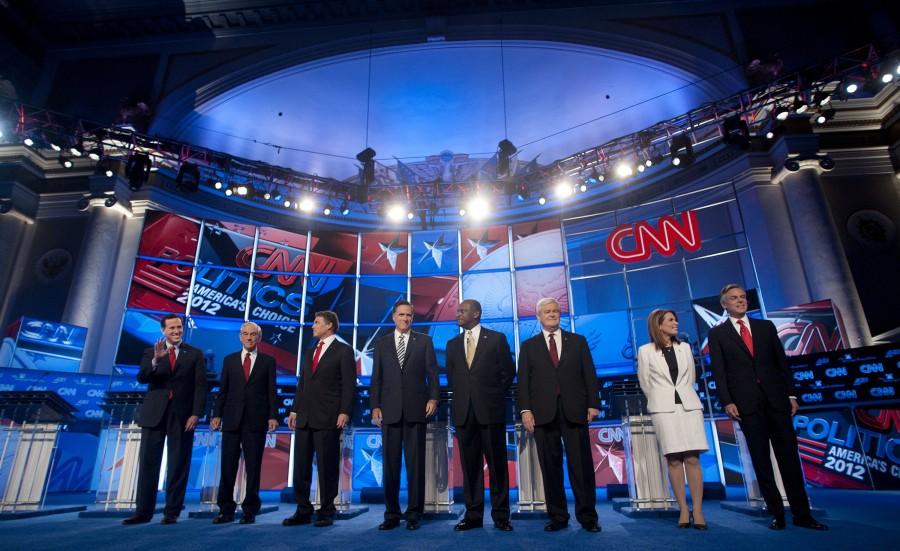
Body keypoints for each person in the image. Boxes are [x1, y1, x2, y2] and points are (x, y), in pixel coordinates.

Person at [708, 284, 827, 531]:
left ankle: (802, 514)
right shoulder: (718, 334)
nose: (740, 301)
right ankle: (776, 514)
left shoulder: (766, 327)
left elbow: (781, 363)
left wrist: (791, 394)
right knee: (761, 461)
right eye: (734, 298)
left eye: (742, 297)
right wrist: (728, 401)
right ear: (724, 305)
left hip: (777, 400)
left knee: (790, 459)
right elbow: (719, 372)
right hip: (746, 404)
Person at [516, 297, 601, 533]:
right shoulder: (529, 346)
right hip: (543, 414)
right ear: (539, 317)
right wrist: (525, 411)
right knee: (550, 468)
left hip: (575, 411)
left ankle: (588, 517)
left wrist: (593, 404)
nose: (552, 314)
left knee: (581, 467)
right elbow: (523, 382)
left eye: (555, 311)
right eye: (547, 311)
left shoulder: (578, 341)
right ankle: (558, 517)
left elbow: (589, 375)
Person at [123, 314, 207, 525]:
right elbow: (142, 377)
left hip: (182, 415)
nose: (176, 331)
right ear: (163, 331)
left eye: (179, 327)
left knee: (178, 463)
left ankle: (172, 512)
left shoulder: (195, 354)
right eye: (172, 328)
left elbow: (200, 386)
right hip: (154, 414)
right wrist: (156, 360)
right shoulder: (150, 352)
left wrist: (196, 413)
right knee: (149, 464)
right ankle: (143, 512)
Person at [369, 300, 439, 530]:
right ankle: (391, 514)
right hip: (389, 410)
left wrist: (433, 398)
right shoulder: (382, 343)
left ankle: (414, 513)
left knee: (415, 465)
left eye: (409, 315)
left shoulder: (425, 341)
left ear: (412, 318)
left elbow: (433, 374)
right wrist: (375, 406)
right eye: (401, 315)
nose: (405, 318)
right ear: (393, 317)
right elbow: (376, 377)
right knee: (390, 466)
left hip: (416, 409)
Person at [446, 299, 515, 532]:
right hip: (464, 414)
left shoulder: (496, 339)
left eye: (462, 311)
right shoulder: (452, 344)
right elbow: (453, 377)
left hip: (491, 412)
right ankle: (473, 516)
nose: (458, 314)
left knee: (497, 466)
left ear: (476, 313)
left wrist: (493, 395)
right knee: (470, 467)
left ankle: (501, 516)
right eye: (458, 311)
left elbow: (508, 371)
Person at [636, 309, 708, 530]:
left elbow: (692, 378)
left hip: (689, 407)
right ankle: (684, 510)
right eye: (670, 320)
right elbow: (645, 384)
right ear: (658, 325)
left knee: (693, 459)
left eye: (675, 319)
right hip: (663, 410)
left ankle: (697, 510)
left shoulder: (685, 348)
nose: (676, 323)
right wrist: (661, 400)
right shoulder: (645, 351)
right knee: (674, 460)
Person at [283, 311, 356, 528]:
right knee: (301, 468)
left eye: (316, 323)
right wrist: (294, 410)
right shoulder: (310, 351)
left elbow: (349, 385)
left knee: (327, 466)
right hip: (304, 417)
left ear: (330, 325)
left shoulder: (343, 351)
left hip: (329, 417)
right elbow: (303, 383)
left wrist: (344, 411)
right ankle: (303, 509)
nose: (312, 326)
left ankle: (326, 510)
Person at [210, 322, 279, 525]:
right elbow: (222, 391)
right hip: (231, 420)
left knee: (253, 467)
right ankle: (226, 509)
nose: (249, 338)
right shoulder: (230, 360)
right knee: (228, 466)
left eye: (253, 335)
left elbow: (271, 391)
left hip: (255, 421)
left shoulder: (268, 361)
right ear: (240, 336)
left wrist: (273, 416)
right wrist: (217, 415)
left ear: (259, 338)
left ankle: (250, 510)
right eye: (246, 334)